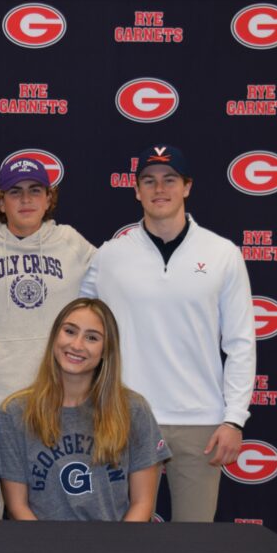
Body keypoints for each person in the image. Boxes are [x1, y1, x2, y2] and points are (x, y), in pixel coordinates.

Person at [80, 145, 255, 522]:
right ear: (137, 190)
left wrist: (234, 419)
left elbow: (241, 341)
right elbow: (80, 335)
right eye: (149, 180)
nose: (160, 189)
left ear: (187, 187)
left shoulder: (223, 253)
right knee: (120, 545)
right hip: (123, 417)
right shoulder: (110, 256)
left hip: (200, 422)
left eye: (170, 179)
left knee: (194, 548)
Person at [0, 156, 97, 438]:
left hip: (54, 404)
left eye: (35, 190)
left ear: (48, 200)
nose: (26, 199)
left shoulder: (71, 244)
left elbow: (119, 283)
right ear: (0, 202)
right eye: (15, 192)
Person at [0, 298, 170, 521]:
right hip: (40, 547)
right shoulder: (15, 412)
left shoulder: (134, 410)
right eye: (69, 331)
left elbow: (142, 503)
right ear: (54, 336)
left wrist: (117, 552)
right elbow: (17, 506)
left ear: (107, 350)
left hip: (113, 548)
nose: (77, 345)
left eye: (92, 338)